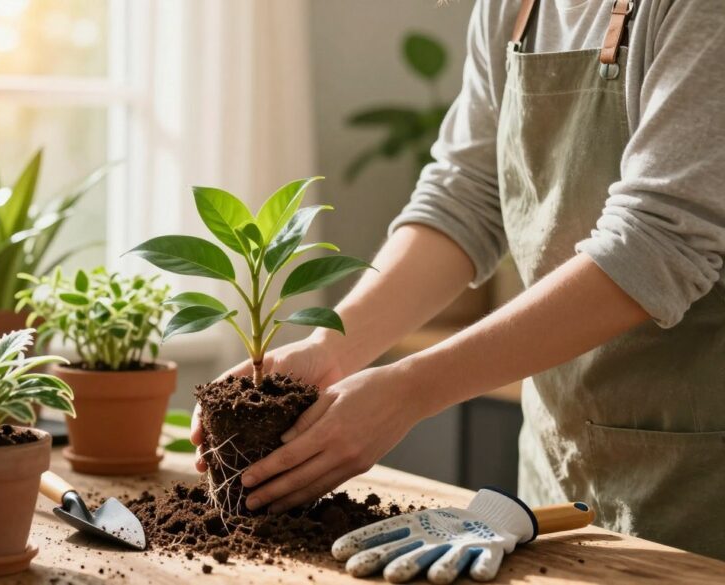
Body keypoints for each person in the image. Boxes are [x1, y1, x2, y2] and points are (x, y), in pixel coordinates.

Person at [190, 0, 725, 560]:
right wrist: (332, 346)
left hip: (699, 490)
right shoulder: (511, 7)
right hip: (555, 482)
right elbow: (466, 196)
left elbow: (660, 240)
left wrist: (409, 390)